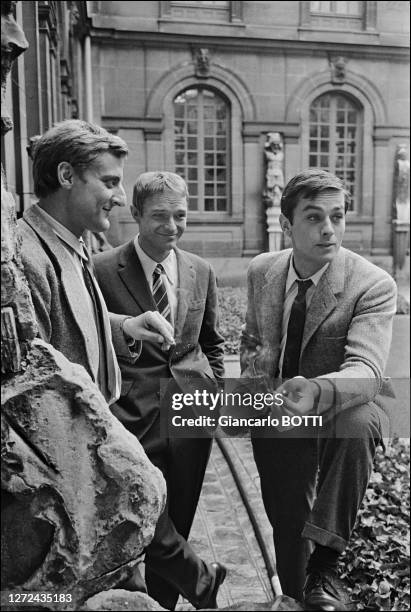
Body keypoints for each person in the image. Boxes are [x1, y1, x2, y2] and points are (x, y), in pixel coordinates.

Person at [240, 169, 397, 610]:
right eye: (314, 218)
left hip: (339, 404)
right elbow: (254, 342)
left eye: (337, 216)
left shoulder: (372, 284)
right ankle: (299, 594)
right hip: (278, 411)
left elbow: (367, 370)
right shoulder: (262, 271)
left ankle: (326, 562)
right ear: (287, 226)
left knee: (362, 419)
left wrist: (313, 391)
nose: (329, 229)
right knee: (288, 523)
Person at [94, 171, 226, 610]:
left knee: (180, 515)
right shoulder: (101, 270)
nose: (172, 226)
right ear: (134, 215)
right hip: (131, 416)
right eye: (159, 217)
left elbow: (212, 343)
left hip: (192, 412)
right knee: (143, 515)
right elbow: (94, 342)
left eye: (180, 215)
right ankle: (199, 579)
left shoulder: (200, 269)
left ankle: (167, 602)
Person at [19, 120, 174, 410]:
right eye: (110, 182)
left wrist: (126, 327)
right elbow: (32, 392)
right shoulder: (27, 258)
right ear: (66, 175)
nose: (121, 198)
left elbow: (76, 327)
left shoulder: (73, 242)